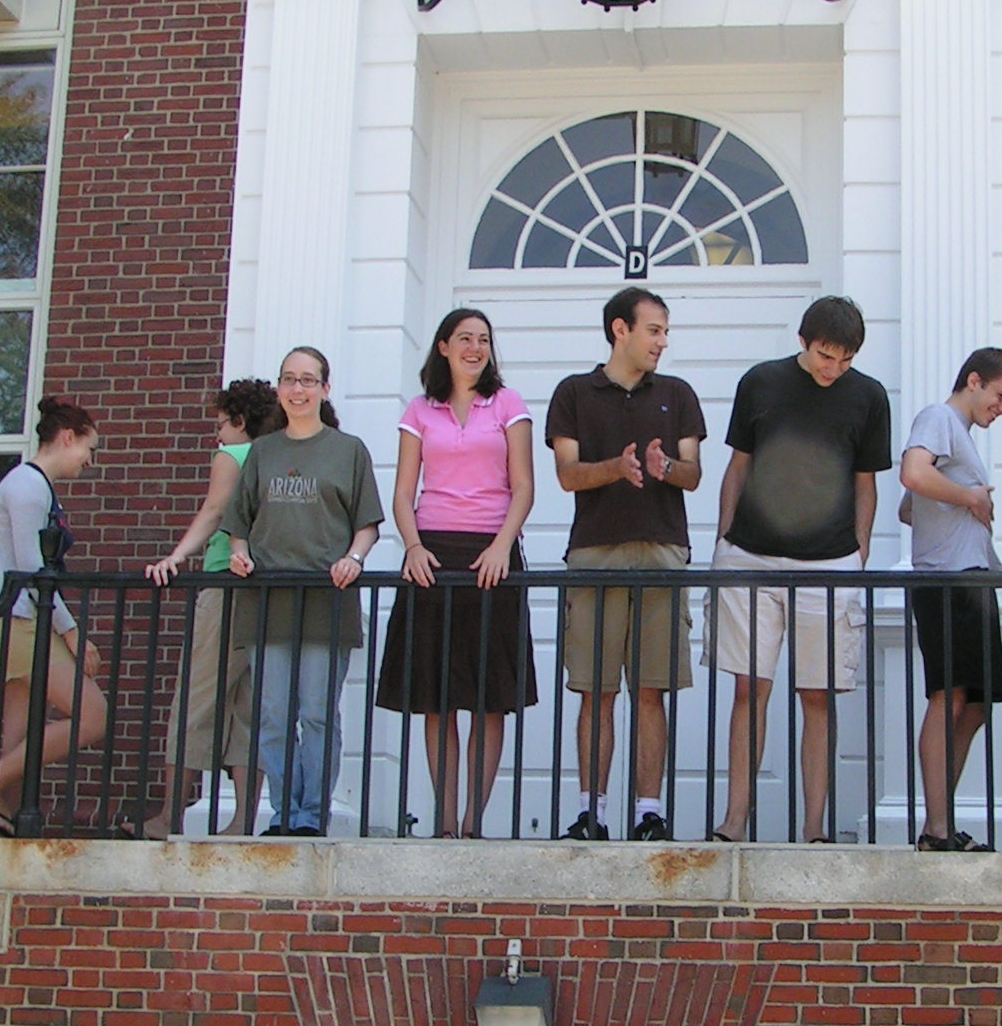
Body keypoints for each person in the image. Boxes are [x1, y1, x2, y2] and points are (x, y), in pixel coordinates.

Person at [707, 296, 891, 844]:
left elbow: (866, 483)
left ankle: (814, 829)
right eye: (825, 356)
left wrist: (859, 553)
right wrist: (722, 542)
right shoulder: (760, 382)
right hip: (750, 555)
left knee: (818, 695)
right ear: (803, 341)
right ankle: (735, 820)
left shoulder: (869, 396)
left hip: (831, 562)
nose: (834, 368)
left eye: (846, 359)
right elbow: (738, 465)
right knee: (749, 689)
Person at [547, 287, 705, 842]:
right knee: (596, 691)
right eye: (654, 330)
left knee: (651, 690)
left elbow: (694, 474)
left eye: (665, 331)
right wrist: (616, 467)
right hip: (595, 552)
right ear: (621, 330)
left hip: (663, 551)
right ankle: (591, 813)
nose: (663, 342)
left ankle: (648, 814)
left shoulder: (678, 394)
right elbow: (567, 475)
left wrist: (667, 468)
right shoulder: (573, 392)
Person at [378, 308, 537, 838]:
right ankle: (444, 823)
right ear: (443, 346)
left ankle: (473, 823)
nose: (475, 348)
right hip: (433, 557)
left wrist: (501, 546)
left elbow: (523, 486)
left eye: (484, 339)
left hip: (493, 556)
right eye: (465, 338)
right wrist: (413, 546)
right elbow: (404, 491)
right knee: (438, 698)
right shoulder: (420, 409)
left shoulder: (508, 403)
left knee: (490, 699)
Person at [224, 348, 384, 838]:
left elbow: (367, 524)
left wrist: (353, 558)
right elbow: (239, 523)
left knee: (317, 713)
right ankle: (284, 813)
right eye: (290, 379)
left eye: (309, 380)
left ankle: (312, 815)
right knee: (273, 714)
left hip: (326, 598)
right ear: (279, 388)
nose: (298, 389)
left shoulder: (348, 451)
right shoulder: (262, 452)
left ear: (325, 389)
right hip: (268, 600)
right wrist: (239, 553)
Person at [130, 376, 283, 839]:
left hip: (224, 584)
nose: (217, 435)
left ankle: (168, 816)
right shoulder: (278, 456)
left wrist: (177, 556)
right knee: (249, 708)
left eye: (220, 424)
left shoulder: (232, 456)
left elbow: (215, 510)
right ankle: (241, 821)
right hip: (267, 591)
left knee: (195, 697)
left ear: (239, 420)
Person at [898, 347, 1002, 853]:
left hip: (972, 579)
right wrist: (972, 497)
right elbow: (913, 475)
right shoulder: (939, 417)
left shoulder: (959, 436)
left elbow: (910, 508)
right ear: (974, 381)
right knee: (949, 698)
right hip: (947, 581)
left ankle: (941, 820)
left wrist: (957, 499)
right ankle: (937, 829)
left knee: (975, 706)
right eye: (1001, 395)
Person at [0, 396, 106, 835]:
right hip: (18, 620)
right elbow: (32, 571)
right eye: (89, 449)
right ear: (68, 438)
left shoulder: (31, 485)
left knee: (16, 743)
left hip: (12, 620)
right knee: (93, 715)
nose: (89, 461)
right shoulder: (28, 487)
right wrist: (72, 632)